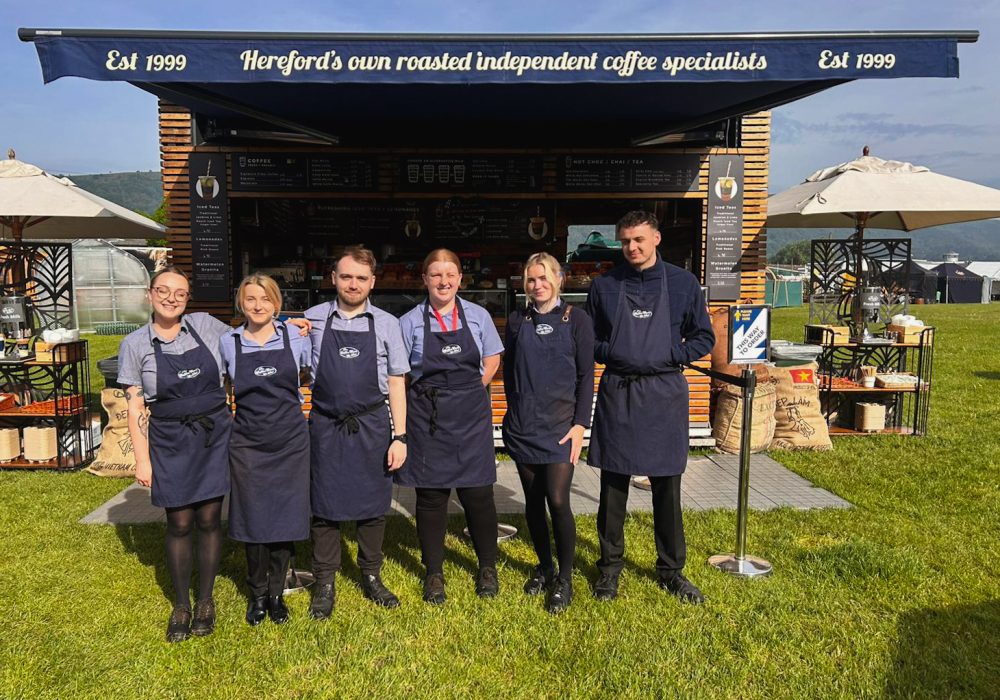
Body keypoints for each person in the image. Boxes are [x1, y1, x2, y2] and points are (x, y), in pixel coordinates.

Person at [585, 210, 715, 604]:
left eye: (639, 239)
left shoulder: (682, 283)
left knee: (666, 487)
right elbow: (588, 339)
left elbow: (703, 336)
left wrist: (673, 354)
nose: (632, 248)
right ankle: (608, 570)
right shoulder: (604, 286)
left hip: (663, 393)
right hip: (618, 392)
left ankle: (671, 570)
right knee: (613, 488)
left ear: (656, 238)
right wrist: (613, 352)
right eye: (625, 241)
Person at [304, 246, 410, 620]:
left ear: (373, 282)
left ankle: (370, 574)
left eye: (361, 278)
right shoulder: (311, 320)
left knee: (372, 506)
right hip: (325, 425)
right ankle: (325, 582)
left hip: (372, 425)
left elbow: (397, 381)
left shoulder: (387, 324)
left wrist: (400, 436)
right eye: (346, 276)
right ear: (333, 278)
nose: (353, 284)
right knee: (324, 506)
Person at [397, 249, 504, 604]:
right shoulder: (410, 321)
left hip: (471, 415)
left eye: (450, 275)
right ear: (424, 279)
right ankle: (434, 572)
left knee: (478, 494)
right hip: (428, 417)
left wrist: (472, 387)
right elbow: (401, 371)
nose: (444, 282)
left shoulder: (479, 316)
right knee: (431, 496)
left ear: (460, 279)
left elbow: (492, 357)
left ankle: (487, 566)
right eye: (436, 275)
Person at [502, 252, 594, 614]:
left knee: (557, 500)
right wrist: (515, 410)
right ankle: (544, 566)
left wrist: (579, 425)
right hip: (524, 426)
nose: (537, 285)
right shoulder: (515, 320)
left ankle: (565, 578)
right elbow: (509, 373)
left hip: (560, 428)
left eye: (543, 278)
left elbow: (586, 376)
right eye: (530, 279)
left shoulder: (577, 320)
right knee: (534, 503)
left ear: (559, 279)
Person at [220, 274, 311, 627]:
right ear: (241, 303)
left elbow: (306, 374)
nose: (258, 306)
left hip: (290, 440)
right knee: (253, 518)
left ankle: (277, 594)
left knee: (285, 519)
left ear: (277, 303)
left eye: (265, 299)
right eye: (250, 299)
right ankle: (256, 594)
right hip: (248, 443)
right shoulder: (228, 343)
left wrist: (296, 320)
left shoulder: (296, 335)